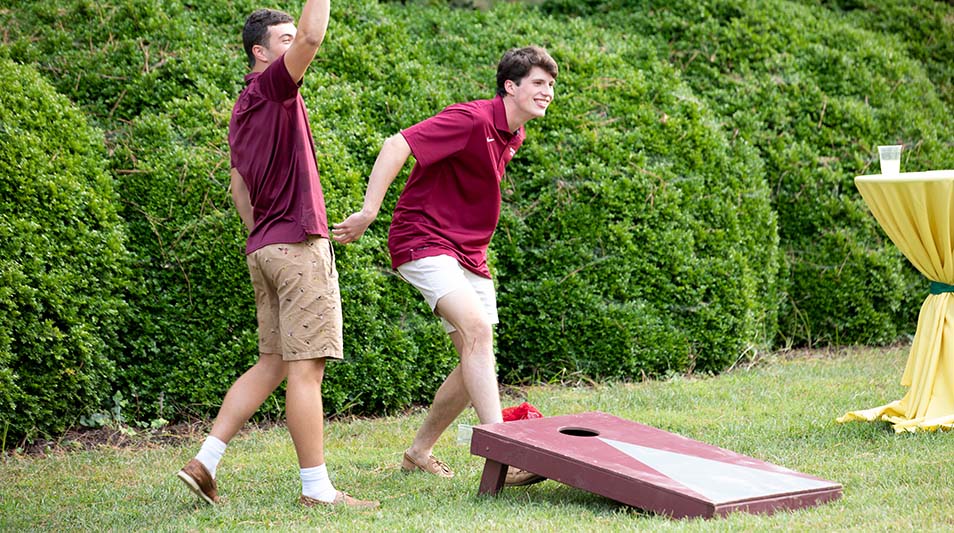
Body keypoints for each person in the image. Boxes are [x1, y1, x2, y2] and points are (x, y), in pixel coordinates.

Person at [176, 1, 378, 509]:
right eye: (281, 40)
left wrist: (262, 235)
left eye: (290, 37)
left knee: (272, 363)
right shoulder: (273, 88)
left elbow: (238, 187)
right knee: (307, 370)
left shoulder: (242, 106)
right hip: (296, 245)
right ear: (259, 53)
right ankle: (317, 490)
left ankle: (206, 459)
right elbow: (313, 36)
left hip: (264, 246)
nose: (294, 45)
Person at [333, 46, 558, 486]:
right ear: (510, 87)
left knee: (475, 355)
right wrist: (369, 210)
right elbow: (397, 143)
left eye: (551, 85)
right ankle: (505, 452)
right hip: (423, 239)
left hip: (469, 252)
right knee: (478, 333)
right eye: (538, 83)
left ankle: (419, 451)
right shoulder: (471, 119)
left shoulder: (515, 135)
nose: (547, 91)